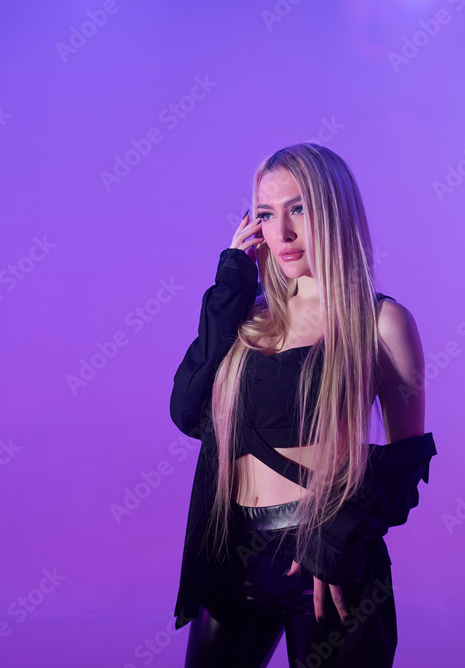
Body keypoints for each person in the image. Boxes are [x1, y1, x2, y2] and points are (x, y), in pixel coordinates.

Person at [169, 143, 438, 667]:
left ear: (334, 212)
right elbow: (186, 411)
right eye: (266, 215)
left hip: (326, 562)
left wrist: (336, 538)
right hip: (233, 557)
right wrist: (231, 282)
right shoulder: (247, 319)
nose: (283, 232)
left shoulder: (381, 323)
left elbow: (407, 466)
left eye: (299, 209)